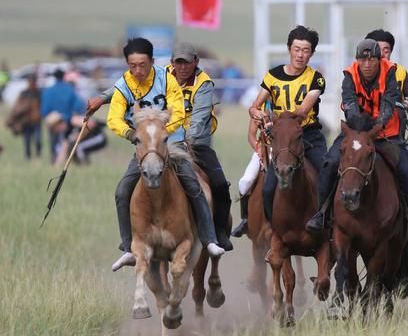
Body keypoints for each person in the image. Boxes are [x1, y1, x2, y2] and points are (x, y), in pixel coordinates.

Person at [305, 38, 408, 292]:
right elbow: (348, 104)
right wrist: (359, 128)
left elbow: (389, 101)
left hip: (386, 135)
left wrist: (378, 125)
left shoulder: (391, 71)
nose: (367, 64)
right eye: (363, 59)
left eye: (372, 59)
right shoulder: (350, 74)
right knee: (329, 163)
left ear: (379, 60)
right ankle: (322, 213)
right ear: (358, 60)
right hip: (356, 133)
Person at [102, 38, 225, 272]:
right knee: (122, 190)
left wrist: (170, 136)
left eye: (187, 63)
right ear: (170, 63)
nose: (182, 67)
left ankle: (211, 238)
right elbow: (119, 94)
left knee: (205, 183)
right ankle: (129, 247)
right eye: (178, 62)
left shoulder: (198, 83)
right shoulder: (142, 77)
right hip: (149, 143)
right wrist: (104, 101)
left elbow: (186, 115)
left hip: (182, 140)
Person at [247, 25, 328, 223]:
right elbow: (254, 107)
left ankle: (328, 223)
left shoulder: (316, 79)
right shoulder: (272, 76)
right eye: (297, 49)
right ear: (289, 49)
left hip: (308, 136)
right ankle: (271, 229)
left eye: (306, 50)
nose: (300, 55)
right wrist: (260, 115)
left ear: (312, 53)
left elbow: (302, 112)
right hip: (282, 139)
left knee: (327, 174)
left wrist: (278, 118)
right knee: (266, 188)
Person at [365, 29, 408, 235]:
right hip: (362, 138)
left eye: (387, 50)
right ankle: (324, 217)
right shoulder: (358, 71)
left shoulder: (398, 72)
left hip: (392, 140)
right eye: (377, 49)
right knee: (331, 165)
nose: (382, 54)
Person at [230, 100, 272, 238]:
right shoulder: (260, 108)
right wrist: (258, 147)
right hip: (264, 148)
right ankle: (246, 219)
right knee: (245, 181)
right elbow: (251, 135)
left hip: (284, 150)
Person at [41, 68, 84, 163]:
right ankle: (68, 160)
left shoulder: (48, 91)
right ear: (63, 76)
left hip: (53, 121)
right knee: (66, 141)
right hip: (67, 121)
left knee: (53, 141)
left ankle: (54, 160)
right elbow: (79, 106)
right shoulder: (70, 89)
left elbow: (44, 110)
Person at [6, 74, 42, 159]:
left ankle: (38, 155)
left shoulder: (39, 93)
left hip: (36, 120)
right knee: (27, 141)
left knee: (38, 140)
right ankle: (27, 157)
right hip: (26, 121)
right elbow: (17, 107)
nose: (31, 83)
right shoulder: (24, 93)